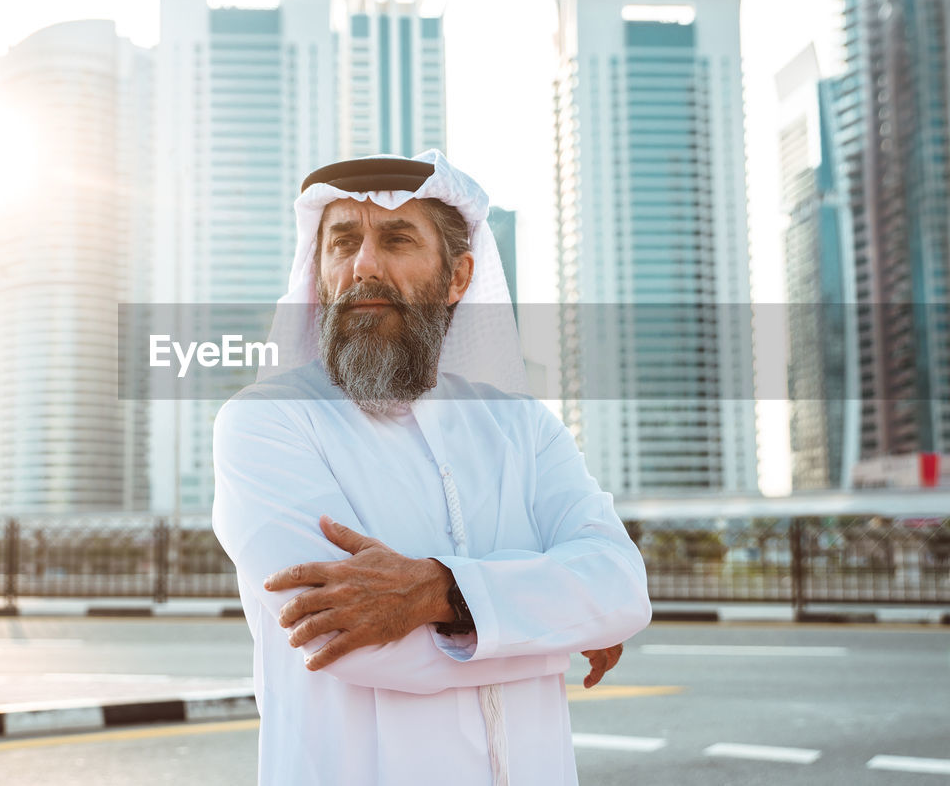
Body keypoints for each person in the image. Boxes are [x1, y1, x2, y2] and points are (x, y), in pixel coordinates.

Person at [211, 150, 652, 786]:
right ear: (320, 272)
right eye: (343, 242)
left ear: (458, 277)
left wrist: (438, 593)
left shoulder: (521, 427)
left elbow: (620, 583)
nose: (364, 263)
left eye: (395, 239)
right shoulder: (267, 422)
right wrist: (555, 623)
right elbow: (350, 644)